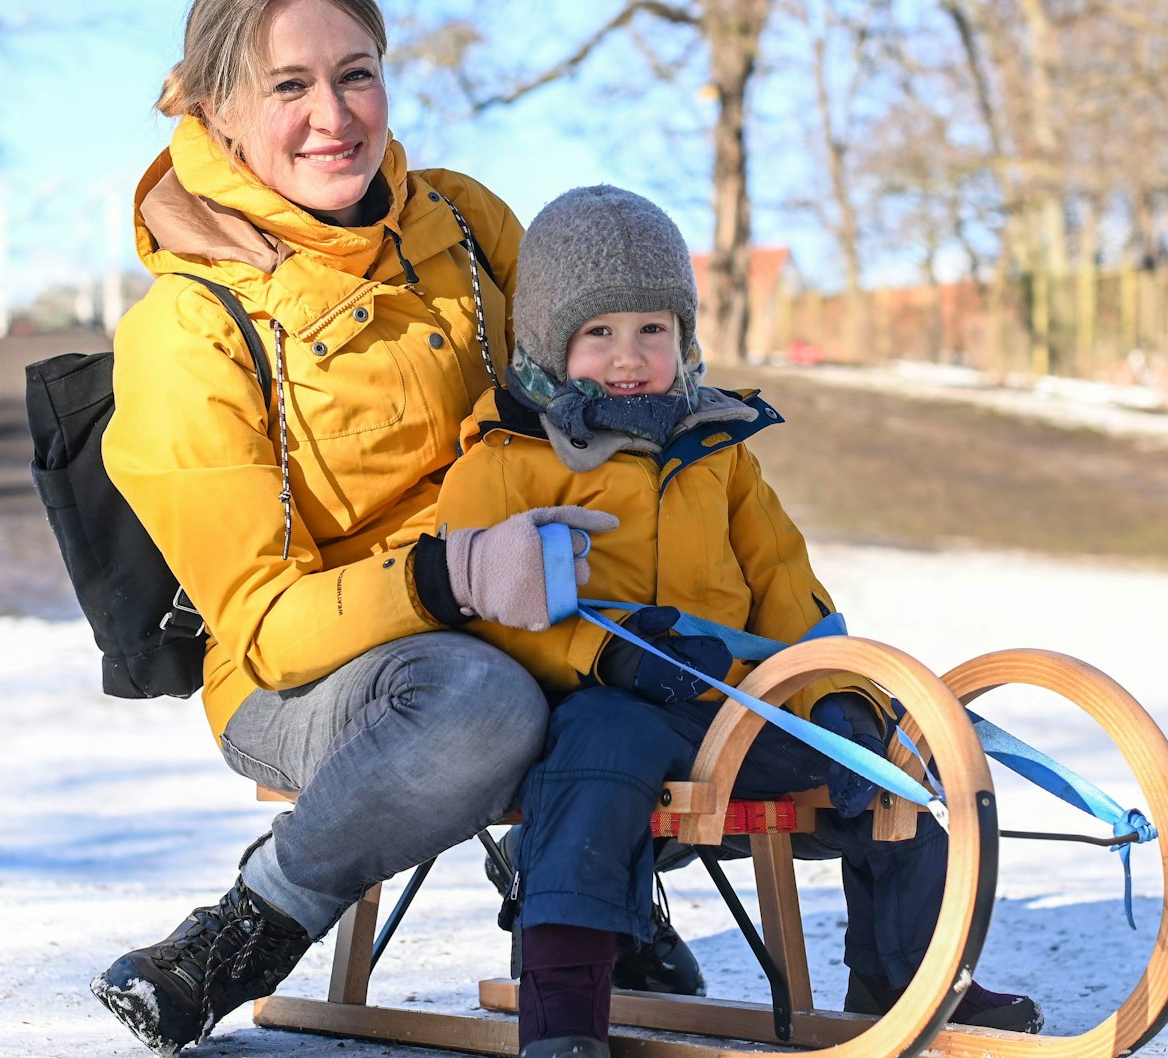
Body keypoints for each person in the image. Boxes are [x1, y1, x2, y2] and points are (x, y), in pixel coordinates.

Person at [86, 2, 617, 1054]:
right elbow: (264, 622)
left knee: (697, 634)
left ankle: (599, 906)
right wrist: (449, 576)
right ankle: (243, 929)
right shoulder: (187, 330)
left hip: (526, 605)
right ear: (217, 110)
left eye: (356, 73)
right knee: (482, 700)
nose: (333, 115)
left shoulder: (462, 221)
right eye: (289, 85)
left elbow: (591, 376)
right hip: (305, 678)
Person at [435, 185, 1045, 1058]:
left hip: (731, 704)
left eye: (653, 329)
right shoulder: (504, 460)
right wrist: (609, 658)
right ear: (546, 338)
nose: (629, 357)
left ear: (684, 336)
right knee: (594, 767)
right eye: (598, 331)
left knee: (890, 768)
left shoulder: (719, 452)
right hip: (590, 706)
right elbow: (485, 611)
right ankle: (564, 1015)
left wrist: (835, 697)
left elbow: (784, 583)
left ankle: (910, 977)